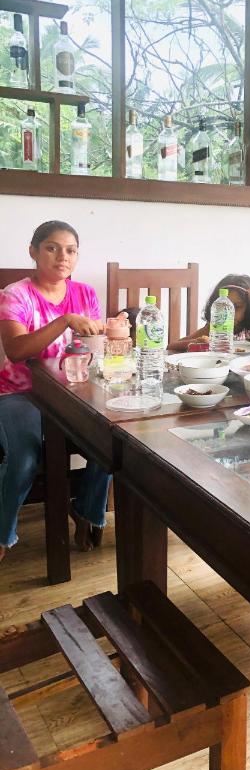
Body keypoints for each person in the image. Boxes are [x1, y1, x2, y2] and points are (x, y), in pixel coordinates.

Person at [0, 221, 111, 561]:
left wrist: (113, 332)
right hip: (19, 393)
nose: (62, 256)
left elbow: (94, 348)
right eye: (52, 247)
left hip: (73, 391)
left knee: (110, 441)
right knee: (25, 458)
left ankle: (86, 509)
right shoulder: (14, 294)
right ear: (33, 251)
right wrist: (64, 320)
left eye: (71, 250)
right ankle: (2, 532)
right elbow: (17, 350)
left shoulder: (85, 294)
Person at [167, 273, 250, 353]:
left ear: (249, 308)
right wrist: (198, 342)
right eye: (225, 307)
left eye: (237, 307)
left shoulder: (248, 331)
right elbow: (171, 346)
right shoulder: (213, 329)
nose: (230, 313)